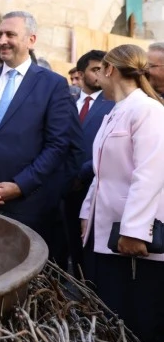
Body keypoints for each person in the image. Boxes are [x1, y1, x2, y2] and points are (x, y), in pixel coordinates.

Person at [0, 11, 76, 247]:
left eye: (10, 34)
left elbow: (57, 145)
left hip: (28, 206)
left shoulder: (52, 85)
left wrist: (20, 185)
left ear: (31, 40)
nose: (2, 40)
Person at [80, 44, 164, 342]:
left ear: (110, 70)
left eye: (100, 70)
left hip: (133, 241)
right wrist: (87, 212)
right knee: (112, 314)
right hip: (106, 235)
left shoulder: (148, 111)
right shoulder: (117, 111)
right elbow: (102, 172)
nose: (97, 77)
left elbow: (150, 173)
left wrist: (133, 230)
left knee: (139, 320)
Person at [57, 50, 113, 272]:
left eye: (104, 69)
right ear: (80, 73)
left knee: (88, 256)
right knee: (62, 247)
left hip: (93, 188)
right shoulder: (65, 101)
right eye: (95, 69)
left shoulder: (112, 103)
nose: (101, 74)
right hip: (62, 189)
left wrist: (84, 173)